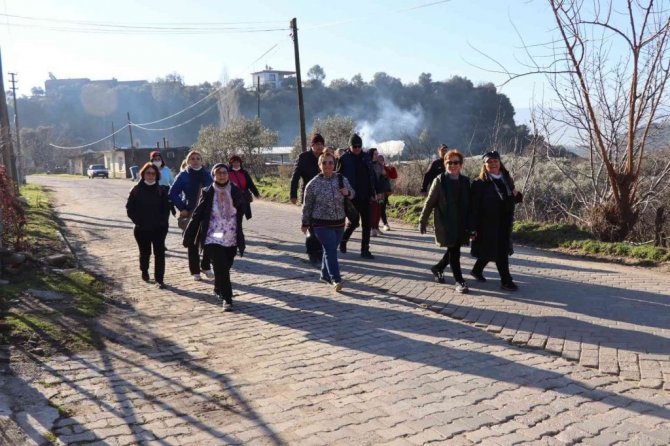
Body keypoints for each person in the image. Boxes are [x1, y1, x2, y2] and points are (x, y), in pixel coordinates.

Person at [183, 164, 245, 311]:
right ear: (213, 175)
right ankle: (227, 299)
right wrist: (189, 234)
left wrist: (245, 204)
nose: (222, 175)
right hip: (214, 235)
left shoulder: (235, 190)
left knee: (225, 266)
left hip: (230, 236)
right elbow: (197, 215)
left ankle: (218, 288)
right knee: (221, 265)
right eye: (219, 173)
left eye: (224, 172)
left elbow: (241, 209)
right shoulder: (208, 192)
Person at [418, 149, 471, 293]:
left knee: (454, 248)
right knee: (455, 251)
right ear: (445, 164)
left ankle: (438, 268)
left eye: (456, 162)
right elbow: (429, 202)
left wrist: (473, 224)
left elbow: (471, 204)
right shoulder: (439, 180)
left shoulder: (465, 181)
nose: (452, 165)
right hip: (446, 222)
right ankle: (459, 281)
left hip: (461, 222)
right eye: (449, 162)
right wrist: (422, 220)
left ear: (461, 164)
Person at [470, 151, 523, 291]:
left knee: (492, 249)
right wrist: (472, 228)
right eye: (489, 162)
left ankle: (476, 270)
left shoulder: (506, 178)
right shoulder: (479, 183)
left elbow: (511, 198)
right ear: (484, 165)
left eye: (496, 161)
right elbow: (474, 208)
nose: (493, 164)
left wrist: (517, 196)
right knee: (500, 251)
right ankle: (506, 281)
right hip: (487, 224)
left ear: (500, 163)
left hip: (505, 222)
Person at [301, 152, 355, 292]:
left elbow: (353, 193)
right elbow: (307, 206)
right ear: (319, 165)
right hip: (321, 224)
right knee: (331, 250)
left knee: (329, 250)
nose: (328, 165)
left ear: (334, 164)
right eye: (324, 163)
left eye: (330, 162)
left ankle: (324, 274)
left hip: (339, 223)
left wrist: (348, 193)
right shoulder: (313, 184)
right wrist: (305, 223)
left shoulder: (341, 179)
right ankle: (336, 279)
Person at [169, 150, 214, 281]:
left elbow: (216, 191)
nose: (195, 161)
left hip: (207, 212)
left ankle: (205, 266)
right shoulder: (183, 175)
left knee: (209, 240)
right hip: (191, 212)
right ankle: (195, 271)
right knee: (192, 242)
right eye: (192, 158)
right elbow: (173, 192)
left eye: (198, 158)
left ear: (202, 161)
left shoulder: (208, 175)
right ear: (188, 161)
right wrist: (182, 207)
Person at [126, 162, 171, 289]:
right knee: (145, 253)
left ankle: (159, 279)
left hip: (159, 228)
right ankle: (144, 270)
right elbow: (130, 209)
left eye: (153, 173)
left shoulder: (161, 191)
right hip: (142, 229)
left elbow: (166, 209)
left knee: (159, 254)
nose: (150, 176)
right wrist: (138, 221)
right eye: (148, 173)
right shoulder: (136, 190)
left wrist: (163, 223)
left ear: (157, 175)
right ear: (143, 174)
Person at [337, 133, 379, 259]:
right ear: (349, 146)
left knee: (367, 223)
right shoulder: (344, 159)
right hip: (351, 196)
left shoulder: (366, 157)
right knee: (354, 222)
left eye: (359, 146)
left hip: (365, 195)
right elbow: (338, 176)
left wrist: (374, 191)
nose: (357, 148)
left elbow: (372, 175)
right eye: (354, 146)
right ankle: (343, 240)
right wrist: (342, 191)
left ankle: (365, 250)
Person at [290, 133, 326, 264]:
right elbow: (295, 177)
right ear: (312, 145)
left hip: (323, 196)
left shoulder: (325, 157)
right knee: (310, 225)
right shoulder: (303, 157)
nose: (319, 147)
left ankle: (320, 252)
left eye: (321, 144)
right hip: (308, 195)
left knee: (320, 225)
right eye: (317, 144)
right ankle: (312, 252)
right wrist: (293, 194)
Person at [228, 155, 260, 256]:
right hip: (230, 201)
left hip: (242, 201)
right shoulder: (227, 172)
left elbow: (250, 184)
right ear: (231, 163)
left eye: (238, 162)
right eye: (234, 162)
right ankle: (236, 241)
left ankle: (239, 242)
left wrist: (256, 193)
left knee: (238, 221)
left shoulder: (244, 173)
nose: (236, 164)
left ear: (240, 163)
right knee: (233, 221)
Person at [378, 155, 397, 232]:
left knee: (382, 208)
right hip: (375, 192)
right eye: (379, 159)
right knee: (376, 209)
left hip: (384, 192)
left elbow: (394, 176)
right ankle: (375, 225)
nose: (381, 161)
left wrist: (392, 168)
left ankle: (385, 224)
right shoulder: (373, 168)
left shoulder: (386, 168)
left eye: (382, 160)